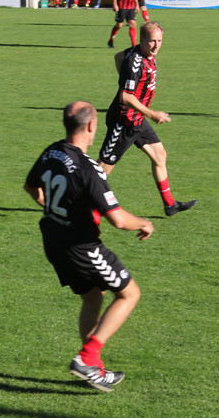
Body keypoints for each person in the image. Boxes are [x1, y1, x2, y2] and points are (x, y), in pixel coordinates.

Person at [24, 101, 155, 392]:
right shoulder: (88, 168)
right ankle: (87, 358)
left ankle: (93, 369)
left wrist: (53, 208)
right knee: (129, 294)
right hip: (82, 246)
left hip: (52, 239)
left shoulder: (51, 151)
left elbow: (31, 186)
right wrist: (144, 223)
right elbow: (117, 219)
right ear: (92, 126)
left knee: (93, 296)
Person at [99, 21, 196, 217]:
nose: (156, 45)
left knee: (160, 156)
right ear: (142, 40)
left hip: (137, 119)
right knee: (102, 170)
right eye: (152, 41)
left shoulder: (145, 55)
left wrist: (124, 79)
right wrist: (152, 114)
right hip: (124, 121)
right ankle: (73, 201)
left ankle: (170, 205)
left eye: (159, 41)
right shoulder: (135, 62)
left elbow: (118, 56)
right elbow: (125, 96)